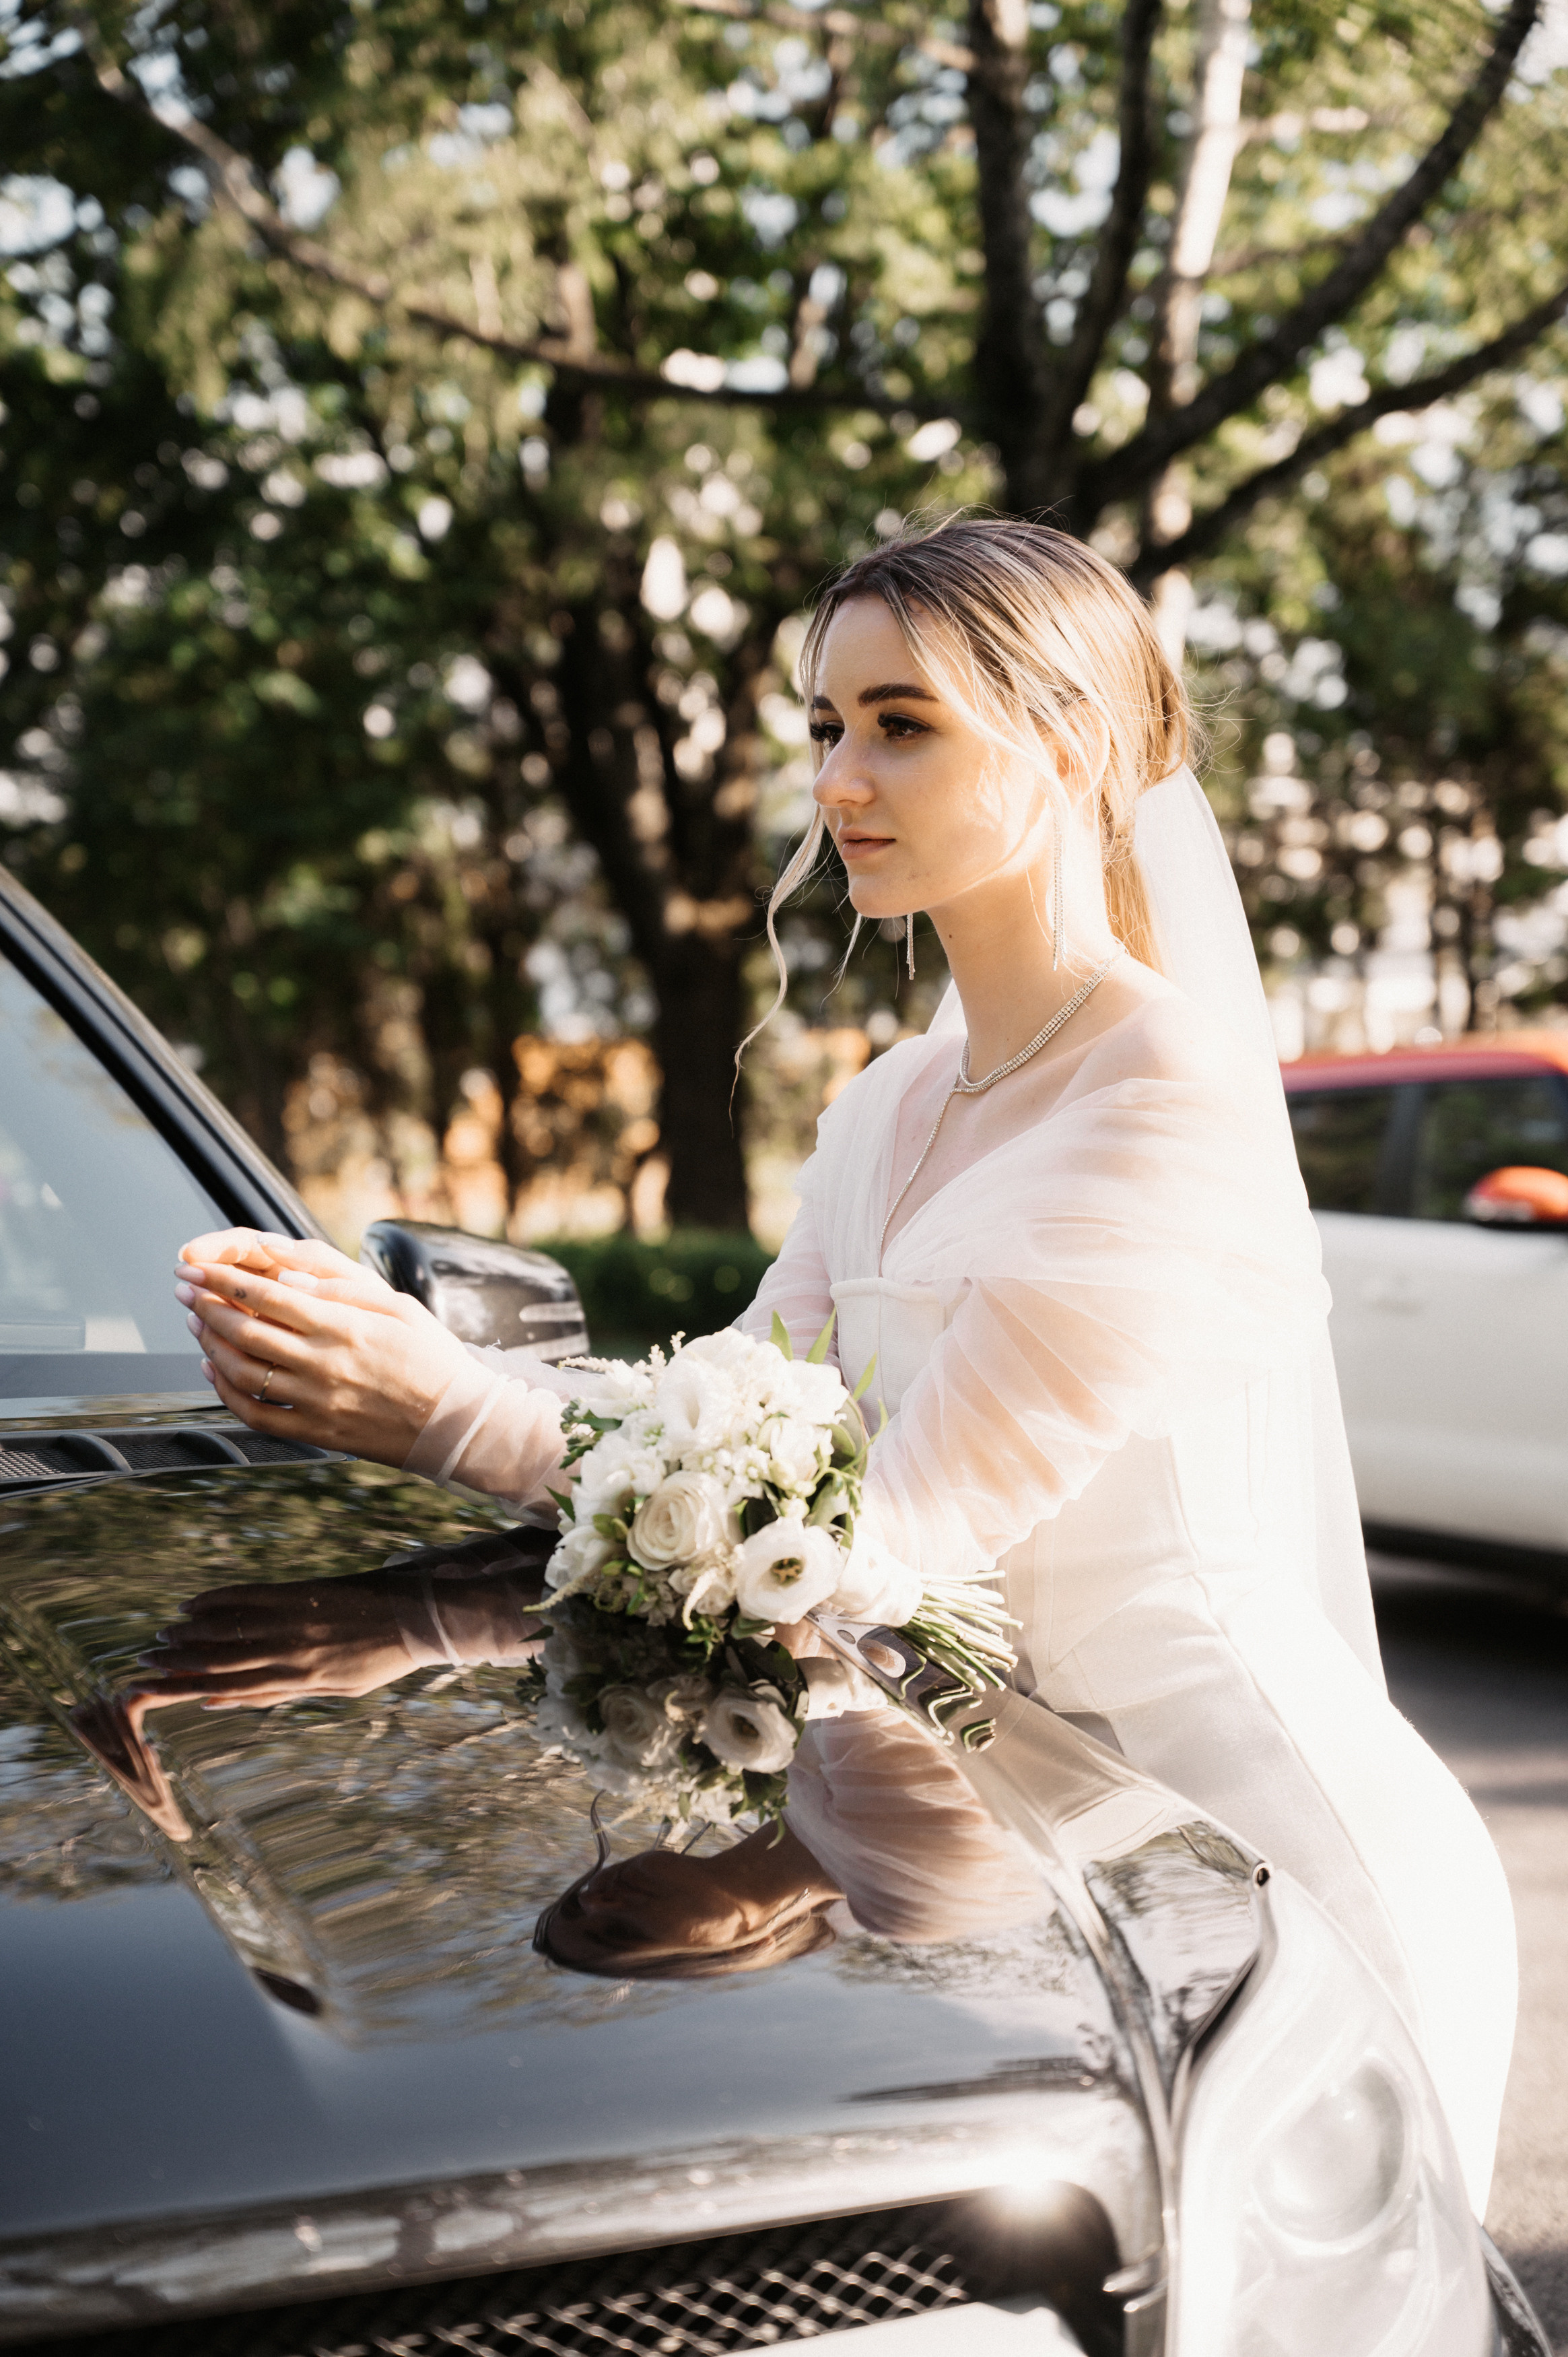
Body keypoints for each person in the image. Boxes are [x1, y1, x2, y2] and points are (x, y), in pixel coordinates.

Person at [172, 516, 1514, 2212]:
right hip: (995, 1852)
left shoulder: (1169, 1090)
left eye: (901, 722)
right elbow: (728, 1411)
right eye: (823, 725)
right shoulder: (886, 1099)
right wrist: (776, 1859)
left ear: (1070, 743)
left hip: (1259, 1863)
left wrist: (452, 1416)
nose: (837, 777)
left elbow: (890, 1533)